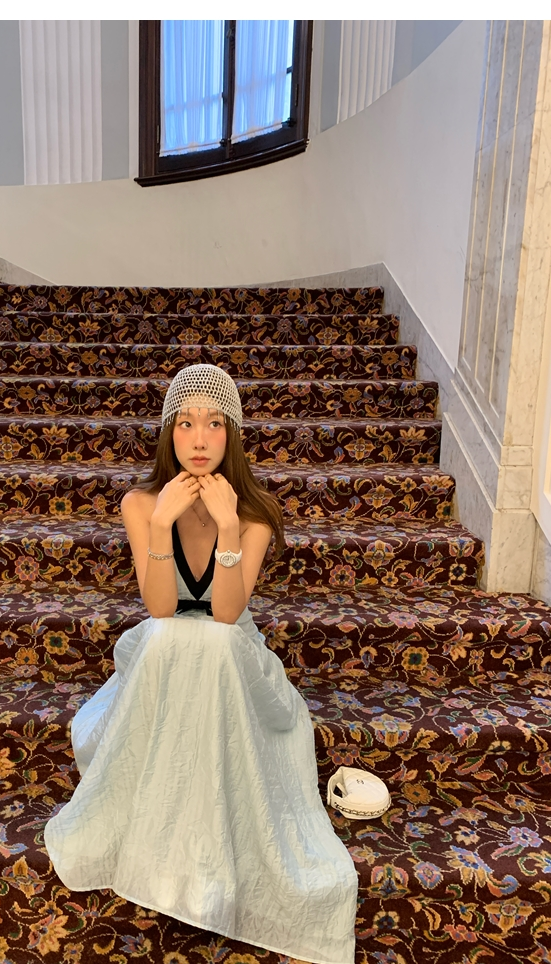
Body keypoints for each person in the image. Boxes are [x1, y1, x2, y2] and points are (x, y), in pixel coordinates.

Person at [44, 364, 358, 964]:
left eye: (214, 423)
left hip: (231, 656)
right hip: (163, 654)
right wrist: (162, 521)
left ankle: (209, 853)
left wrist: (229, 526)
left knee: (211, 644)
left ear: (231, 434)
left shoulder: (256, 511)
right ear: (169, 432)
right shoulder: (141, 503)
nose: (198, 438)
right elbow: (161, 607)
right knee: (168, 637)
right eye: (185, 423)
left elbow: (226, 614)